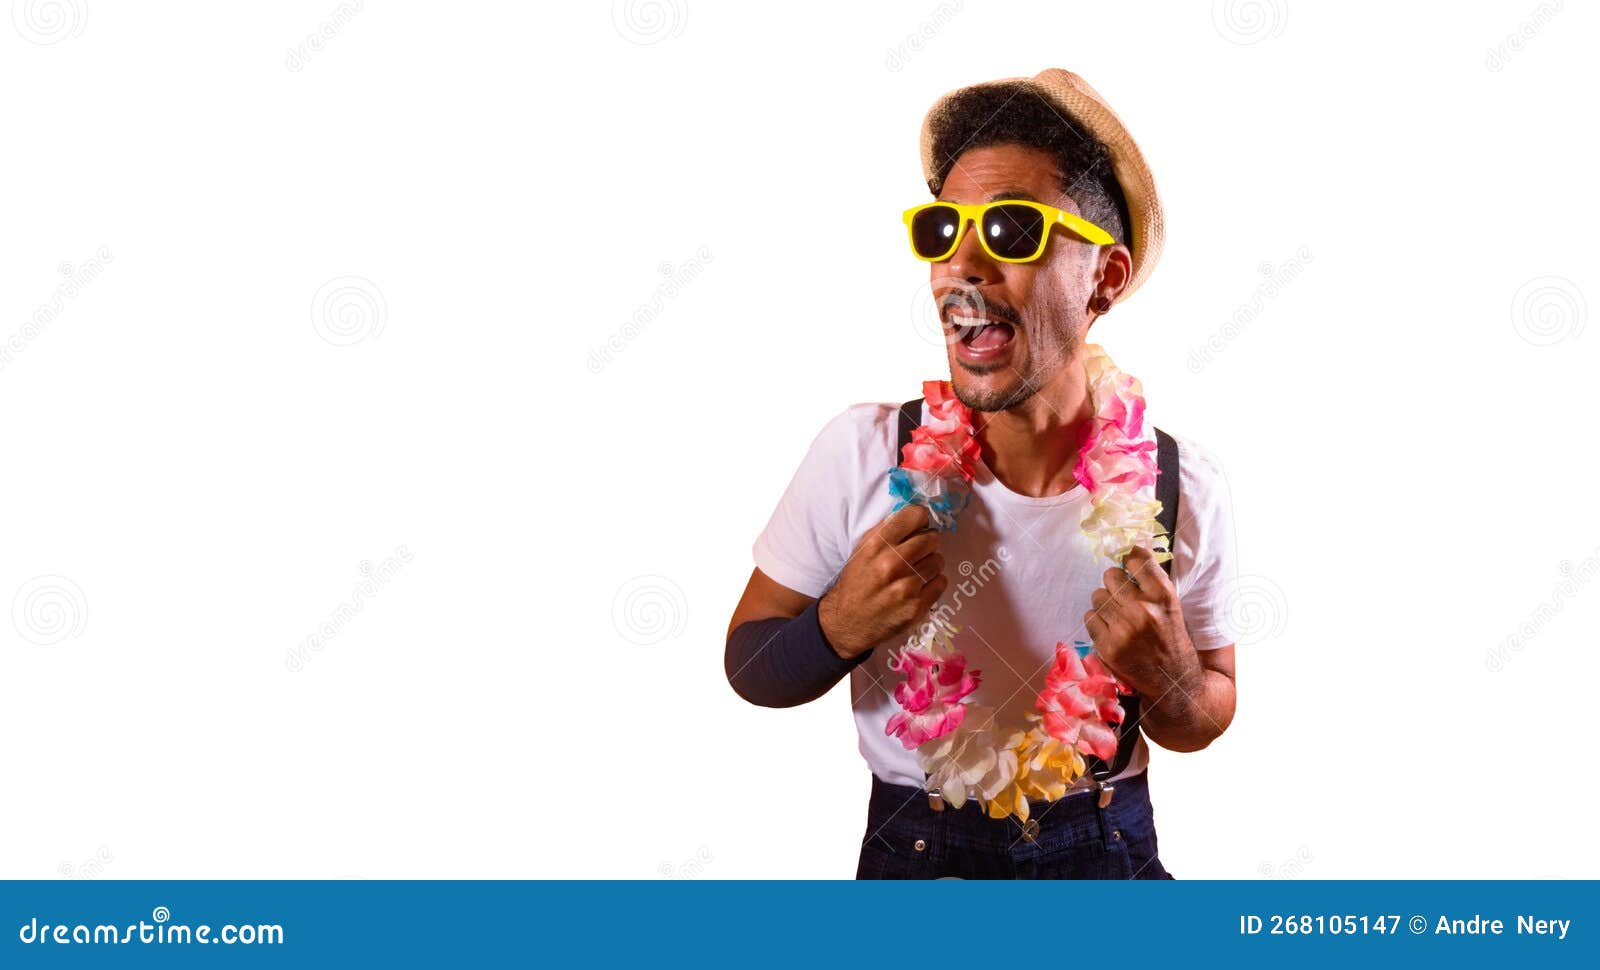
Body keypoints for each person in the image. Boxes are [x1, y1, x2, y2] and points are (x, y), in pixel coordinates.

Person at [725, 69, 1238, 879]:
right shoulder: (864, 454)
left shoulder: (1181, 484)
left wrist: (1173, 682)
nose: (960, 266)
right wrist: (836, 628)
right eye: (940, 230)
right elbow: (749, 667)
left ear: (1104, 278)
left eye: (1009, 230)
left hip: (1109, 858)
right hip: (917, 861)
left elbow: (1206, 712)